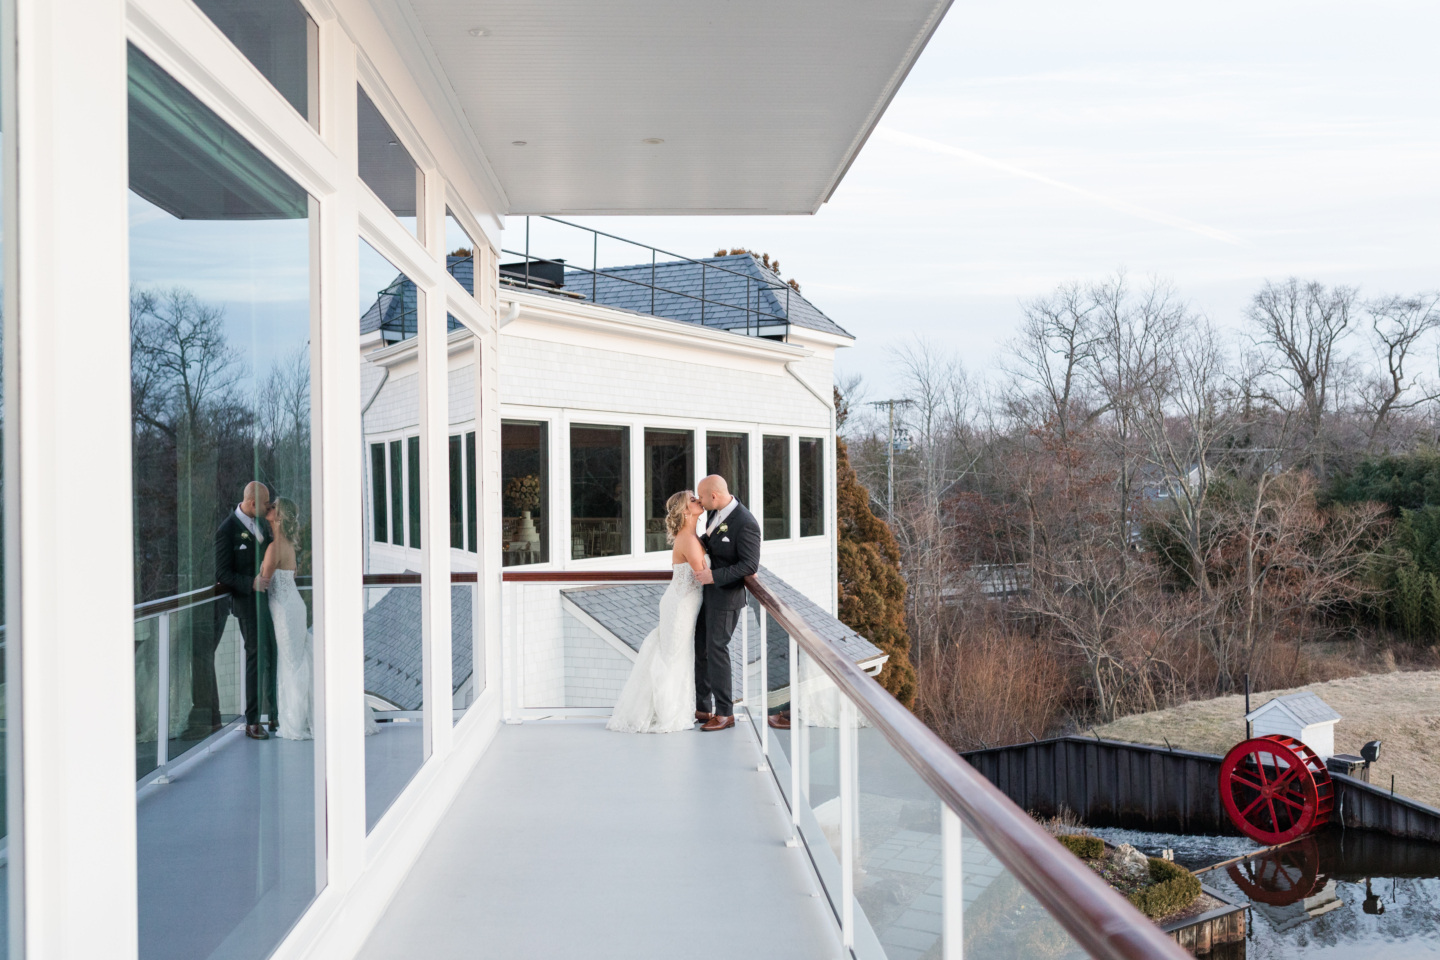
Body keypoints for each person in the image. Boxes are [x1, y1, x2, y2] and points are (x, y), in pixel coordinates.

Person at [607, 491, 707, 734]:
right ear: (685, 511)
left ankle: (674, 707)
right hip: (680, 605)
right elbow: (704, 575)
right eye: (693, 500)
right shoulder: (688, 539)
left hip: (685, 602)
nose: (698, 501)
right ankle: (665, 712)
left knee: (678, 654)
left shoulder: (693, 536)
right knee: (672, 656)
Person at [693, 474, 762, 731]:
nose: (699, 501)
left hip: (726, 596)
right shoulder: (714, 514)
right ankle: (703, 707)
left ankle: (725, 713)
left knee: (717, 651)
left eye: (701, 496)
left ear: (714, 496)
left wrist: (714, 575)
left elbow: (749, 565)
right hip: (706, 595)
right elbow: (711, 545)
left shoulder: (746, 523)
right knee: (701, 648)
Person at [214, 480, 278, 740]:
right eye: (265, 503)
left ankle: (274, 713)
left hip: (271, 602)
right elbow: (221, 573)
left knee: (272, 655)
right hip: (246, 604)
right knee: (256, 656)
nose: (268, 506)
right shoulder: (226, 530)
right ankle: (253, 721)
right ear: (252, 504)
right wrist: (250, 583)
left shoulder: (263, 523)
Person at [258, 497, 313, 741]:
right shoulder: (288, 544)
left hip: (283, 610)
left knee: (291, 663)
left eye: (273, 507)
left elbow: (263, 584)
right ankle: (297, 715)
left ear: (279, 517)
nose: (268, 508)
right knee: (296, 660)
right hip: (294, 607)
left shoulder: (274, 547)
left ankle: (295, 720)